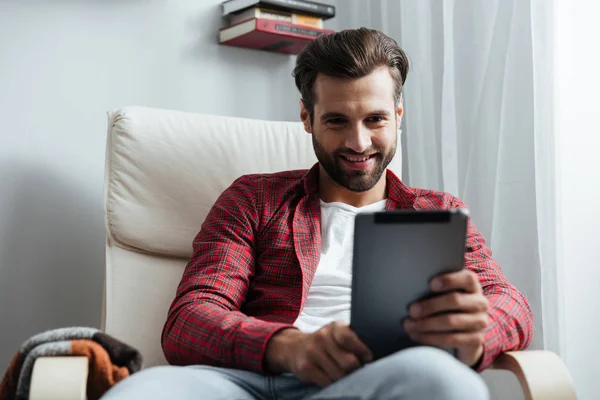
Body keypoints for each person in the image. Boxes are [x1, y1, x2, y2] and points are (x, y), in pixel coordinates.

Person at [102, 27, 533, 400]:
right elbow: (190, 319)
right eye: (337, 121)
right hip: (246, 382)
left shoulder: (438, 211)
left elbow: (510, 304)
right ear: (307, 117)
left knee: (447, 382)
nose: (359, 142)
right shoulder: (254, 198)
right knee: (135, 393)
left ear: (399, 116)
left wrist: (475, 334)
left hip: (367, 384)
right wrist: (289, 347)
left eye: (376, 119)